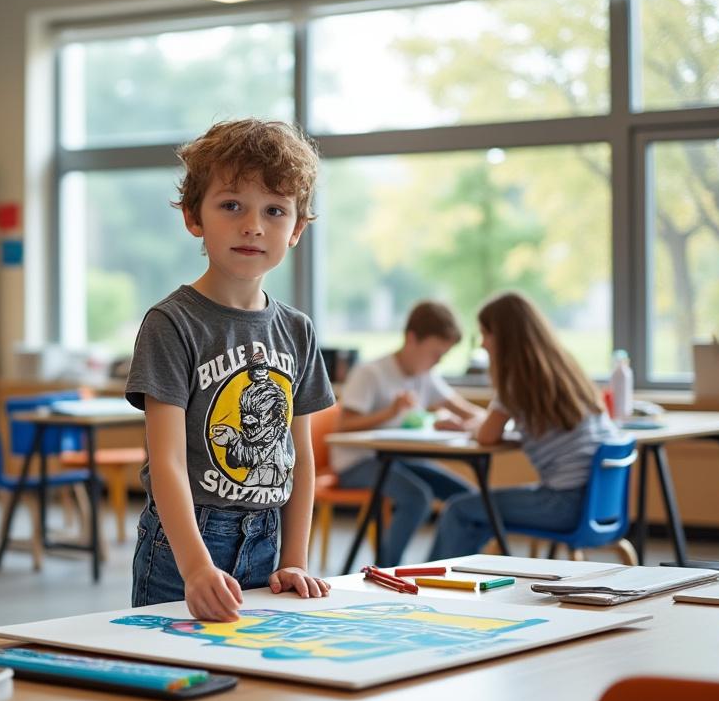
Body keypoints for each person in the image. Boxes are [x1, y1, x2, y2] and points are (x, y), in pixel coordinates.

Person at [125, 119, 335, 622]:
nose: (253, 225)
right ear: (194, 217)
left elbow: (298, 458)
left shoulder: (298, 330)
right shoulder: (171, 323)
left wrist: (295, 559)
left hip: (267, 539)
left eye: (275, 210)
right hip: (186, 542)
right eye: (232, 205)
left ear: (297, 229)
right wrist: (196, 566)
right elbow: (167, 463)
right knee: (174, 671)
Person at [427, 291, 622, 559]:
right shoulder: (564, 370)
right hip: (598, 502)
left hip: (564, 503)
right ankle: (457, 583)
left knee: (459, 509)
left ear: (504, 337)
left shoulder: (516, 381)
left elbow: (486, 436)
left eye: (486, 334)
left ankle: (429, 586)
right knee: (477, 513)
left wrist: (462, 426)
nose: (482, 344)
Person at [331, 300, 487, 566]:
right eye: (436, 354)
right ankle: (387, 569)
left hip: (399, 459)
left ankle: (436, 566)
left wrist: (466, 422)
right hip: (357, 463)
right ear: (412, 338)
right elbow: (343, 426)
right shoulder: (370, 373)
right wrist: (390, 412)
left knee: (474, 499)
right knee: (417, 497)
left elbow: (468, 412)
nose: (438, 361)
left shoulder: (425, 374)